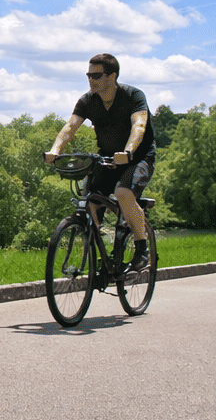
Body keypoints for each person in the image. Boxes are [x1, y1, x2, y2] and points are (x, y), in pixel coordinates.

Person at [44, 53, 155, 271]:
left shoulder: (133, 96)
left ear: (112, 76)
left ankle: (142, 250)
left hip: (138, 158)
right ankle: (100, 251)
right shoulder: (88, 101)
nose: (90, 79)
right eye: (88, 75)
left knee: (123, 193)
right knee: (89, 201)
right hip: (107, 158)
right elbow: (70, 127)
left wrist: (128, 151)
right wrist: (55, 150)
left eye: (96, 75)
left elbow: (139, 126)